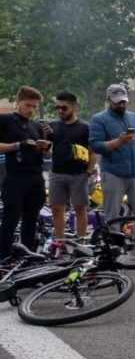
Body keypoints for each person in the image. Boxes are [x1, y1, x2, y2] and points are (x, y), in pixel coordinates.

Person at [88, 84, 135, 255]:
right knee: (113, 213)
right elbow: (95, 145)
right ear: (108, 99)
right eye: (117, 102)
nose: (121, 105)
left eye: (124, 101)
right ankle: (114, 248)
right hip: (113, 172)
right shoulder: (99, 119)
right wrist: (117, 142)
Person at [0, 86, 52, 258]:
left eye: (34, 107)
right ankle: (3, 258)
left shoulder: (36, 125)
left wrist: (47, 145)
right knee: (11, 219)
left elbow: (48, 154)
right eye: (28, 105)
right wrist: (18, 145)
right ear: (18, 102)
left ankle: (26, 258)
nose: (31, 110)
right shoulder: (6, 120)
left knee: (31, 220)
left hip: (36, 176)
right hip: (15, 176)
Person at [47, 91, 94, 243]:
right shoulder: (52, 126)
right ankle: (60, 243)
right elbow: (47, 151)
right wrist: (43, 143)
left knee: (80, 209)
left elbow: (93, 151)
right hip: (57, 173)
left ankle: (81, 242)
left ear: (74, 107)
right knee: (56, 209)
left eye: (64, 107)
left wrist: (89, 171)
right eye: (57, 107)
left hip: (79, 174)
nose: (60, 110)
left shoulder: (85, 127)